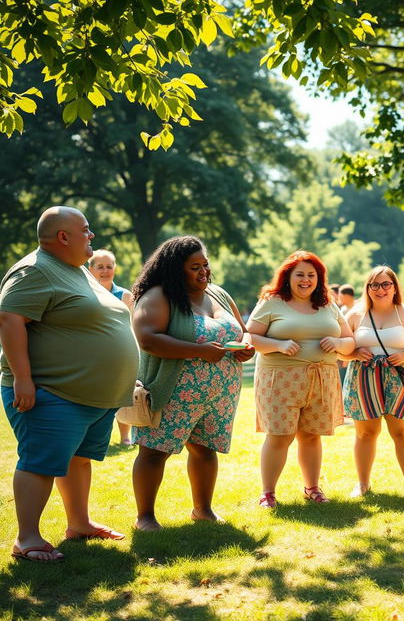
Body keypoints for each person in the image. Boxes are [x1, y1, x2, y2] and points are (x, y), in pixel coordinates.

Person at [0, 206, 139, 562]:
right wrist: (24, 380)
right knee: (41, 462)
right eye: (86, 230)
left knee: (78, 460)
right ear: (64, 236)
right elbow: (9, 319)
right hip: (52, 391)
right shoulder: (35, 270)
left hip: (91, 396)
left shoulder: (76, 270)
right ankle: (27, 538)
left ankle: (79, 523)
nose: (91, 235)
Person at [130, 236, 254, 530]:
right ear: (175, 269)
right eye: (194, 267)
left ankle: (203, 510)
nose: (203, 272)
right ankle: (145, 517)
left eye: (205, 265)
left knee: (205, 448)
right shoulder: (159, 297)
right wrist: (199, 350)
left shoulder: (219, 294)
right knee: (153, 450)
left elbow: (244, 331)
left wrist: (246, 346)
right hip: (174, 392)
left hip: (219, 394)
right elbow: (147, 339)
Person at [246, 250, 355, 508]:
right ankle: (268, 493)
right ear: (288, 276)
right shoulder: (272, 301)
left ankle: (312, 488)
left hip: (322, 378)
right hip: (280, 378)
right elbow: (249, 337)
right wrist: (278, 345)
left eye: (311, 275)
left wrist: (339, 342)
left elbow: (350, 342)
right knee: (280, 435)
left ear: (319, 278)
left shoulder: (327, 303)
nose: (306, 280)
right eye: (300, 274)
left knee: (311, 435)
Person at [340, 266, 404, 497]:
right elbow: (340, 349)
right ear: (367, 288)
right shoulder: (355, 315)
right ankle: (362, 484)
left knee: (402, 434)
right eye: (374, 285)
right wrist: (353, 354)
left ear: (394, 287)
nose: (380, 289)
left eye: (386, 284)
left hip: (399, 378)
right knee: (366, 433)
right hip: (363, 377)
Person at [88, 249, 135, 445]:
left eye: (109, 266)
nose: (105, 271)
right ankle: (93, 438)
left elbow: (134, 327)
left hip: (120, 356)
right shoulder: (83, 292)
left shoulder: (125, 296)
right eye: (100, 267)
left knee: (123, 397)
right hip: (91, 356)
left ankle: (125, 438)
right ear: (90, 269)